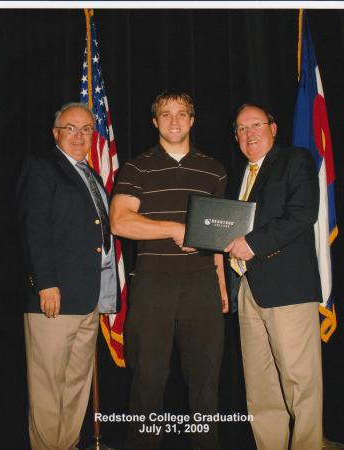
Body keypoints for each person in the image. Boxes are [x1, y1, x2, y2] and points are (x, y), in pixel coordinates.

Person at [110, 90, 228, 450]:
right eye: (165, 114)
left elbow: (218, 233)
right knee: (147, 379)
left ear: (192, 120)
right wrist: (175, 228)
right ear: (155, 121)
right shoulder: (137, 167)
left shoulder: (214, 169)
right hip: (152, 284)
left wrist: (222, 286)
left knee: (205, 381)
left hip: (203, 283)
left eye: (181, 114)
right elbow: (119, 221)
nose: (174, 120)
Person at [17, 102, 119, 450]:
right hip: (54, 299)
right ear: (56, 133)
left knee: (76, 383)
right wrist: (46, 282)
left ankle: (68, 444)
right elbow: (35, 229)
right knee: (49, 386)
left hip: (87, 299)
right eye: (71, 128)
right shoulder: (42, 168)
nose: (79, 136)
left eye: (87, 129)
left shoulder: (90, 175)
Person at [225, 103, 323, 450]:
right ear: (235, 136)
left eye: (256, 125)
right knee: (260, 387)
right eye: (241, 128)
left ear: (273, 127)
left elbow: (302, 213)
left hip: (288, 289)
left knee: (301, 385)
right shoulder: (240, 175)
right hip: (249, 290)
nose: (249, 133)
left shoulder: (295, 160)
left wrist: (252, 244)